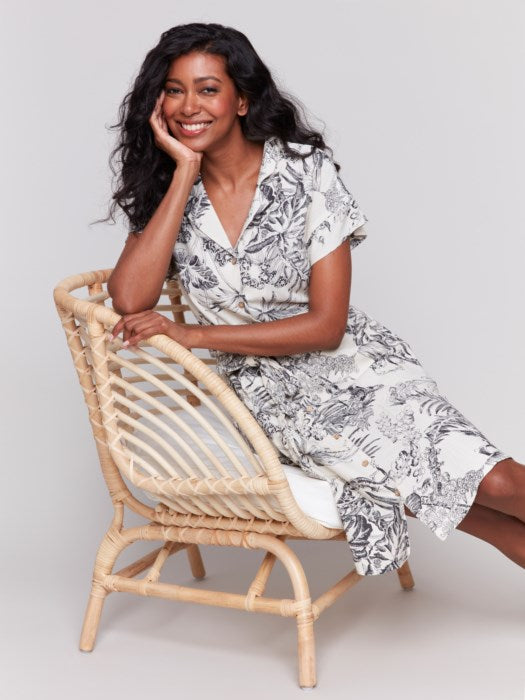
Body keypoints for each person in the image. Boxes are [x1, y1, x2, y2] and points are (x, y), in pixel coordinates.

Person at [105, 22, 525, 576]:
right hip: (267, 400)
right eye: (175, 89)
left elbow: (326, 326)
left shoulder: (306, 172)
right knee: (475, 511)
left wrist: (193, 335)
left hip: (352, 370)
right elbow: (129, 300)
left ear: (242, 99)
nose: (189, 105)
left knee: (498, 484)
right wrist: (184, 171)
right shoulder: (167, 191)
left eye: (208, 88)